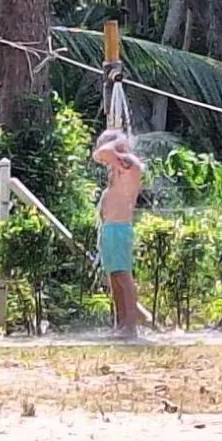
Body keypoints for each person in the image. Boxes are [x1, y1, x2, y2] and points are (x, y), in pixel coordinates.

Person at [92, 128, 144, 338]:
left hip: (120, 228)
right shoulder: (117, 166)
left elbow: (102, 152)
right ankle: (121, 324)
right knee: (114, 278)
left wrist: (115, 142)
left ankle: (130, 326)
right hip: (110, 228)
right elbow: (101, 154)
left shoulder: (129, 162)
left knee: (123, 276)